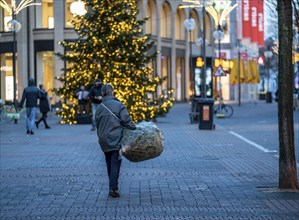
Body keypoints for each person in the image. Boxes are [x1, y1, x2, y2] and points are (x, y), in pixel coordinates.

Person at [95, 84, 136, 198]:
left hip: (103, 139)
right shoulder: (118, 105)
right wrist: (135, 128)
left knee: (109, 162)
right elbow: (126, 120)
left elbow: (97, 123)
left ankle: (112, 186)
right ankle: (113, 188)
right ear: (112, 92)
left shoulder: (99, 107)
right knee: (115, 162)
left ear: (102, 93)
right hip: (115, 138)